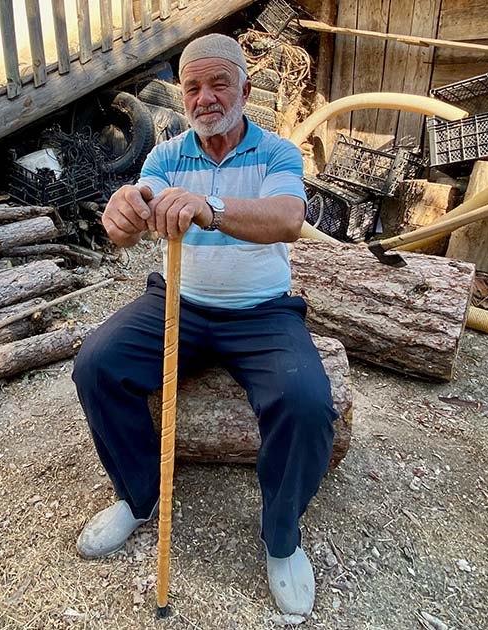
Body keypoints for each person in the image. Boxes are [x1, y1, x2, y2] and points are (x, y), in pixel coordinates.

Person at [71, 33, 336, 616]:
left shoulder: (278, 154)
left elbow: (289, 219)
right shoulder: (166, 155)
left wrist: (210, 209)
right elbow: (137, 210)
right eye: (193, 87)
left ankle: (282, 539)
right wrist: (123, 214)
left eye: (219, 83)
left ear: (245, 87)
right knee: (96, 364)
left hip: (262, 310)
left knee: (309, 402)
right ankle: (137, 499)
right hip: (179, 303)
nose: (206, 97)